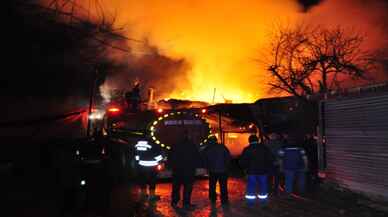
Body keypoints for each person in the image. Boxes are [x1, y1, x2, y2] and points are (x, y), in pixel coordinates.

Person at [168, 131, 201, 209]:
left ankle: (174, 202)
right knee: (187, 187)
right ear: (187, 136)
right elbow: (197, 156)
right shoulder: (191, 145)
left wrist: (172, 166)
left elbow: (170, 157)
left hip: (177, 170)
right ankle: (186, 203)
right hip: (188, 170)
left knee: (176, 187)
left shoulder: (175, 145)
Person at [239, 135, 274, 206]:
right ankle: (263, 203)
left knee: (251, 187)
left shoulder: (247, 149)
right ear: (257, 140)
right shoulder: (264, 148)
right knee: (263, 186)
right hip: (263, 172)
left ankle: (250, 203)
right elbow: (271, 159)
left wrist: (245, 169)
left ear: (249, 141)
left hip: (251, 172)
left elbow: (242, 162)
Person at [202, 135, 231, 205]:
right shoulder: (223, 147)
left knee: (212, 185)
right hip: (223, 170)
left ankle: (213, 198)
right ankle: (224, 199)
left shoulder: (208, 149)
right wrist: (226, 166)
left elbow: (205, 159)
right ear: (216, 140)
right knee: (223, 185)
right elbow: (228, 157)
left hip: (212, 170)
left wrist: (207, 167)